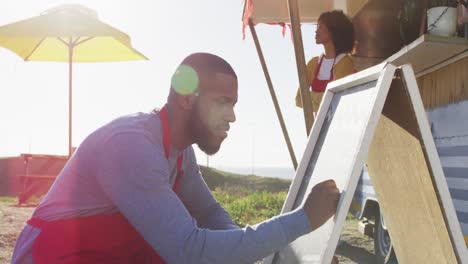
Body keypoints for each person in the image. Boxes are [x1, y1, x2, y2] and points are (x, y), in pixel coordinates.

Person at [12, 53, 340, 264]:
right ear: (187, 98)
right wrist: (302, 220)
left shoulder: (180, 152)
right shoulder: (132, 146)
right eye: (223, 102)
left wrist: (248, 254)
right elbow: (190, 251)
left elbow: (210, 213)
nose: (233, 117)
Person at [296, 10, 355, 117]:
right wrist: (324, 99)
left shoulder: (345, 62)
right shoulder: (313, 63)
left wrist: (312, 98)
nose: (316, 31)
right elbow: (299, 99)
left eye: (321, 27)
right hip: (318, 126)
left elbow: (336, 100)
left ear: (334, 31)